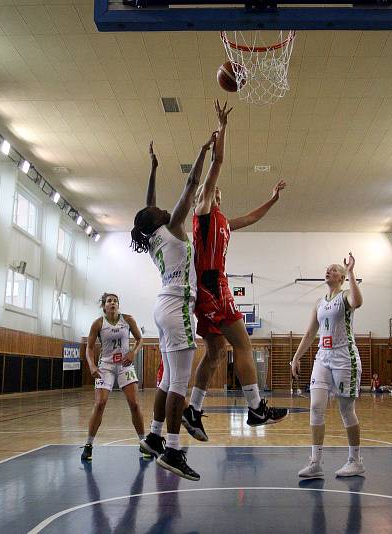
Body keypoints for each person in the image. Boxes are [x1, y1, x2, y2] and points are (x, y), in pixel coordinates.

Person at [181, 100, 287, 442]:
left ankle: (193, 410)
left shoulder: (224, 220)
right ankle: (256, 407)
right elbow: (219, 162)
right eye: (211, 190)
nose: (216, 191)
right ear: (204, 196)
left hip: (210, 287)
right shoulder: (204, 211)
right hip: (212, 284)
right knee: (242, 343)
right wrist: (223, 128)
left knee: (215, 353)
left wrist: (272, 199)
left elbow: (252, 218)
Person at [131, 134, 216, 481]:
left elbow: (147, 206)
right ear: (157, 220)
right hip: (178, 305)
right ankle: (174, 450)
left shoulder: (152, 236)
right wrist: (202, 150)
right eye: (160, 211)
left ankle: (153, 435)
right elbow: (191, 183)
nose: (164, 207)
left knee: (168, 379)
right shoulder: (174, 226)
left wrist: (153, 169)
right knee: (180, 381)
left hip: (163, 307)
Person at [291, 254, 364, 478]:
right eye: (327, 269)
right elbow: (311, 332)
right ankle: (315, 462)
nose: (328, 271)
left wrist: (351, 271)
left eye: (333, 269)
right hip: (323, 356)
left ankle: (355, 460)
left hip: (345, 356)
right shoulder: (319, 302)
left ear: (341, 277)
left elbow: (358, 302)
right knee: (315, 407)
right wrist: (295, 357)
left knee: (345, 409)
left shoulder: (345, 296)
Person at [81, 293, 145, 462]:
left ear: (118, 305)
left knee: (134, 404)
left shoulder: (128, 320)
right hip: (106, 367)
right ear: (104, 306)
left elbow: (140, 339)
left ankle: (143, 442)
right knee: (100, 403)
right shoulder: (98, 323)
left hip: (125, 366)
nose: (113, 303)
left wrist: (133, 352)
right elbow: (89, 348)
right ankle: (88, 445)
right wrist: (92, 365)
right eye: (109, 301)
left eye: (115, 301)